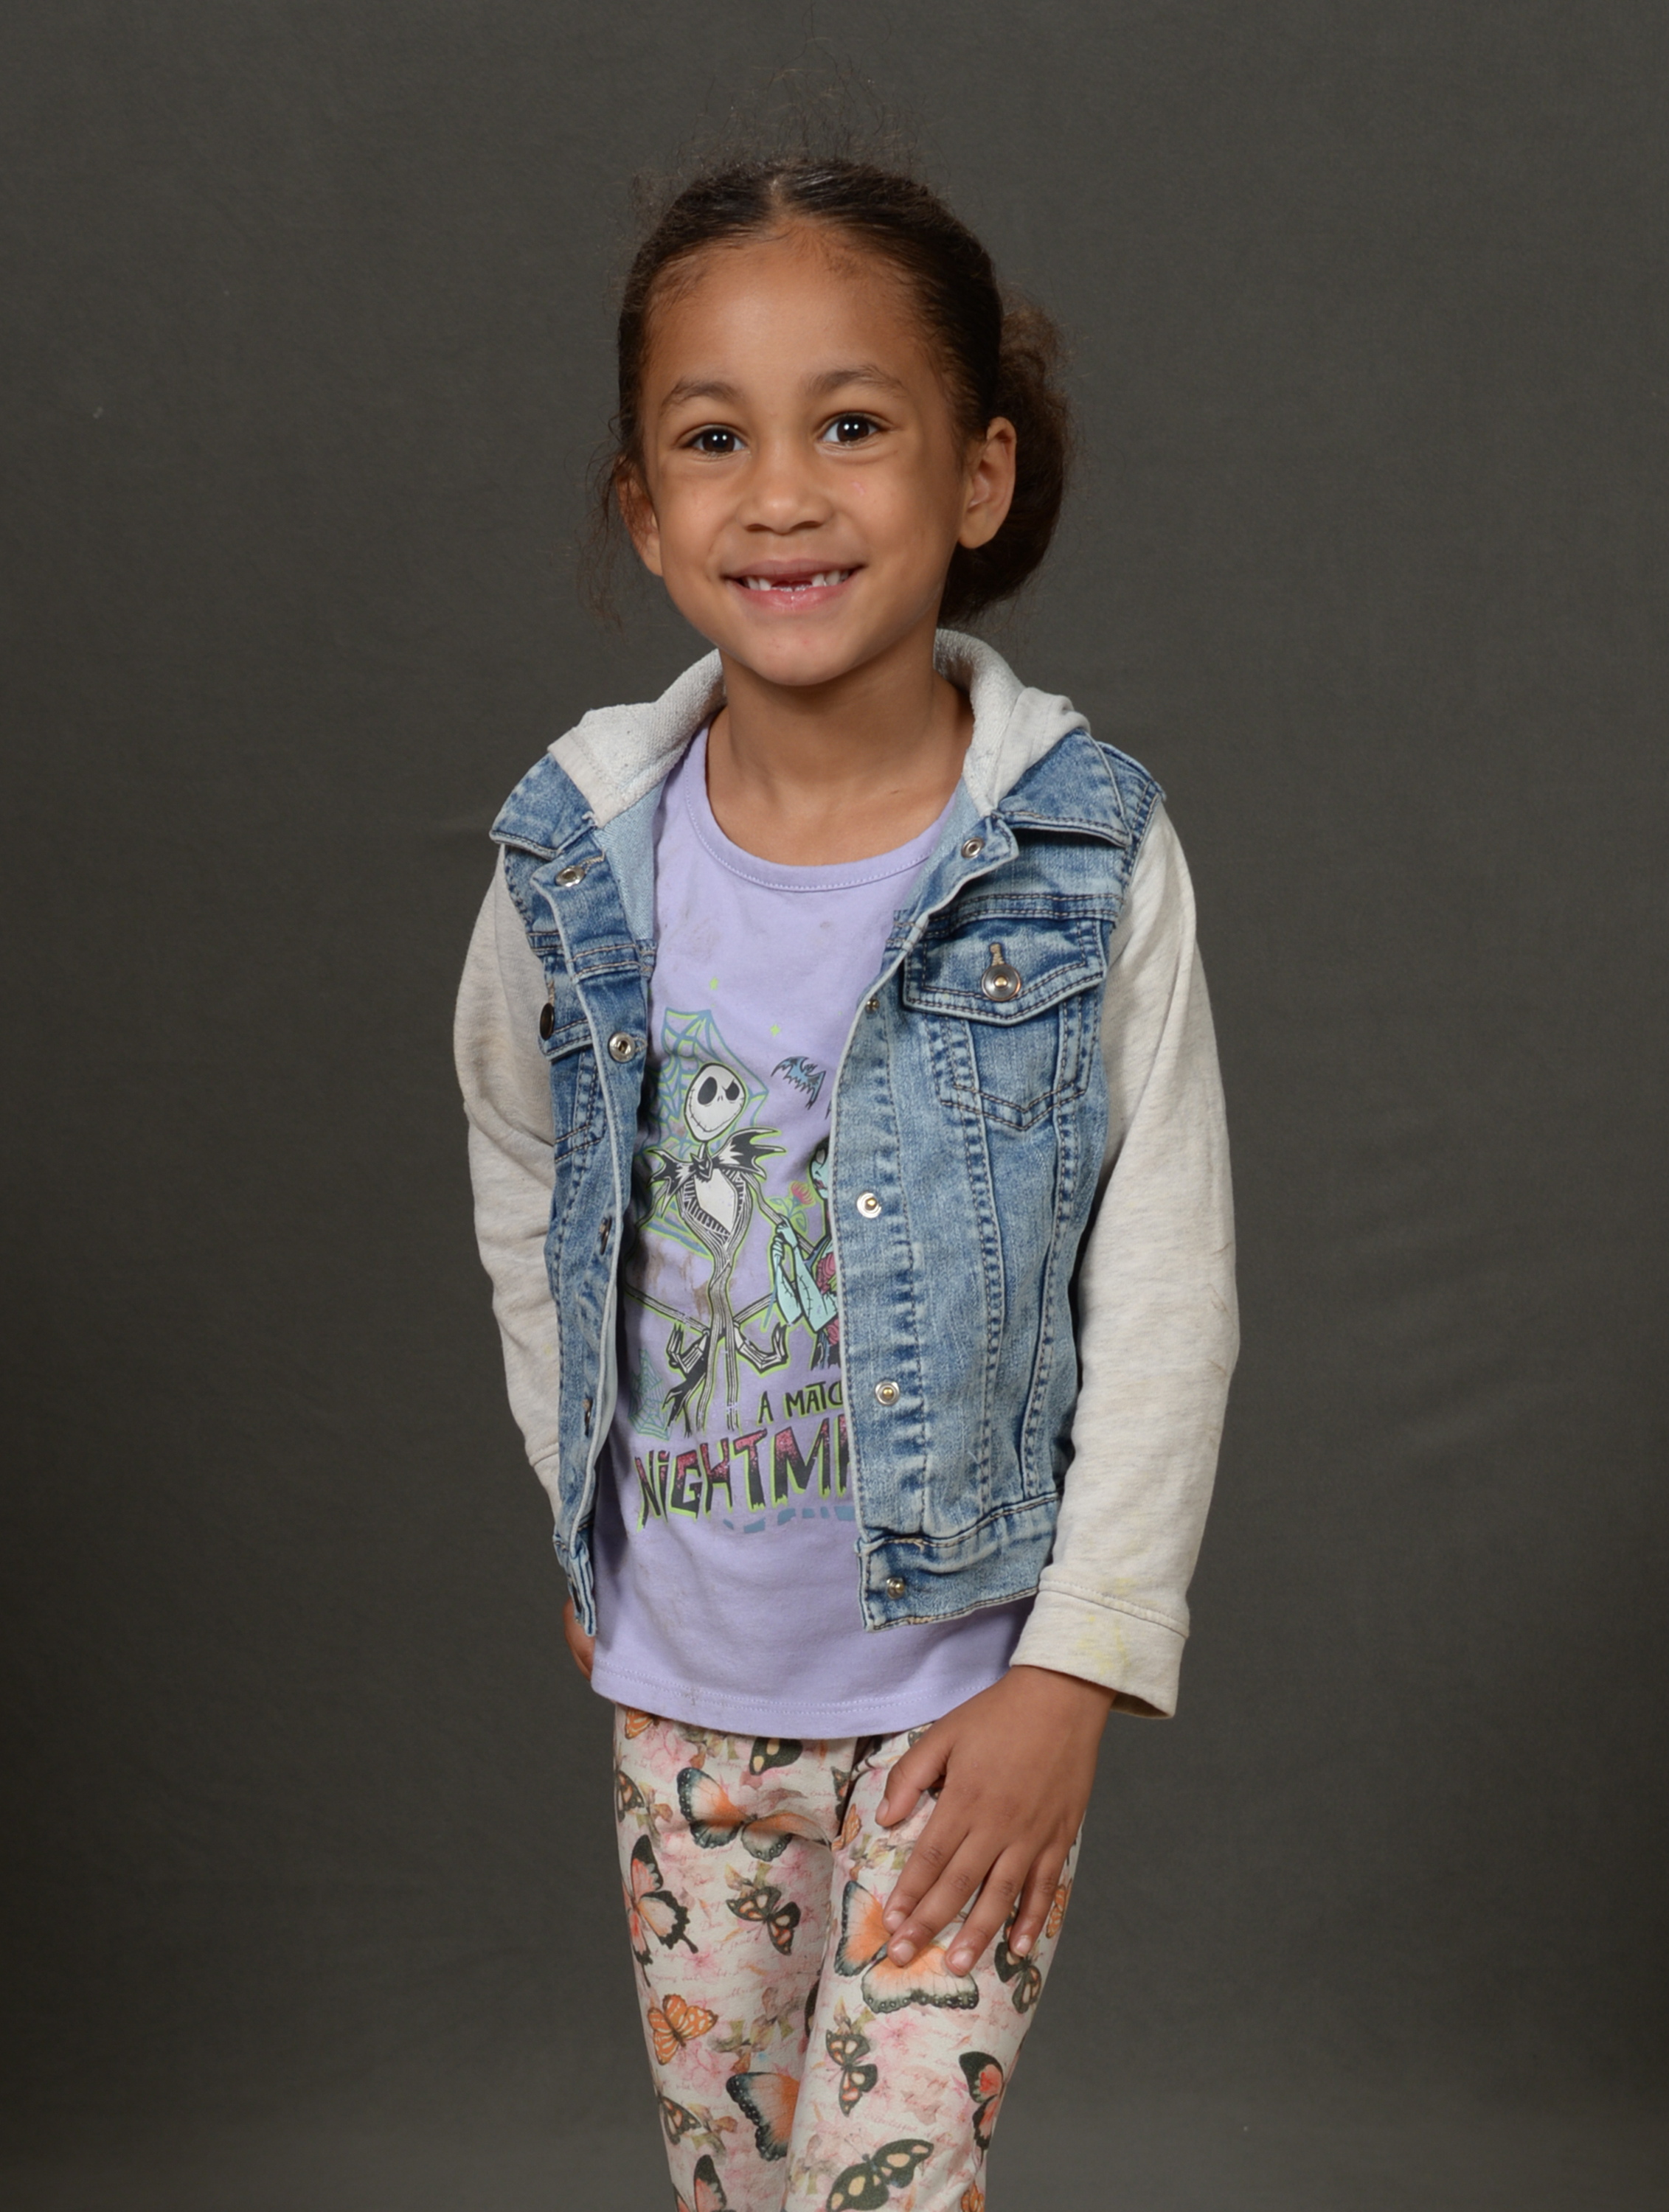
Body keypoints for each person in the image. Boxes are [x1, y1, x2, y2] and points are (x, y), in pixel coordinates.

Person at [454, 156, 1237, 2212]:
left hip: (963, 1707)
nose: (781, 496)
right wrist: (580, 1495)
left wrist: (1078, 1663)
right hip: (682, 1704)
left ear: (979, 475)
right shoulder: (576, 856)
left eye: (854, 425)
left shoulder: (1077, 854)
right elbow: (525, 1161)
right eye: (715, 439)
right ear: (645, 509)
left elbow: (1169, 1277)